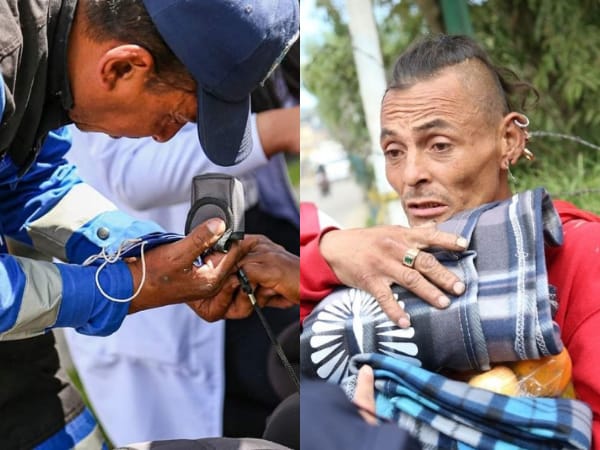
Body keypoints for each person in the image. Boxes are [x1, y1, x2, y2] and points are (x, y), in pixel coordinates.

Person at [0, 0, 299, 448]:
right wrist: (126, 285)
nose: (162, 137)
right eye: (174, 119)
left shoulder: (48, 57)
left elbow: (35, 186)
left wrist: (152, 253)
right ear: (122, 68)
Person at [300, 34, 600, 448]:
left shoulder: (582, 257)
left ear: (508, 140)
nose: (410, 176)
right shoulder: (390, 260)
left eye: (439, 145)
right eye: (394, 151)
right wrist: (328, 251)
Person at [63, 110, 298, 446]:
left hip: (256, 245)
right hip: (176, 300)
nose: (188, 110)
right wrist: (276, 130)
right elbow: (129, 174)